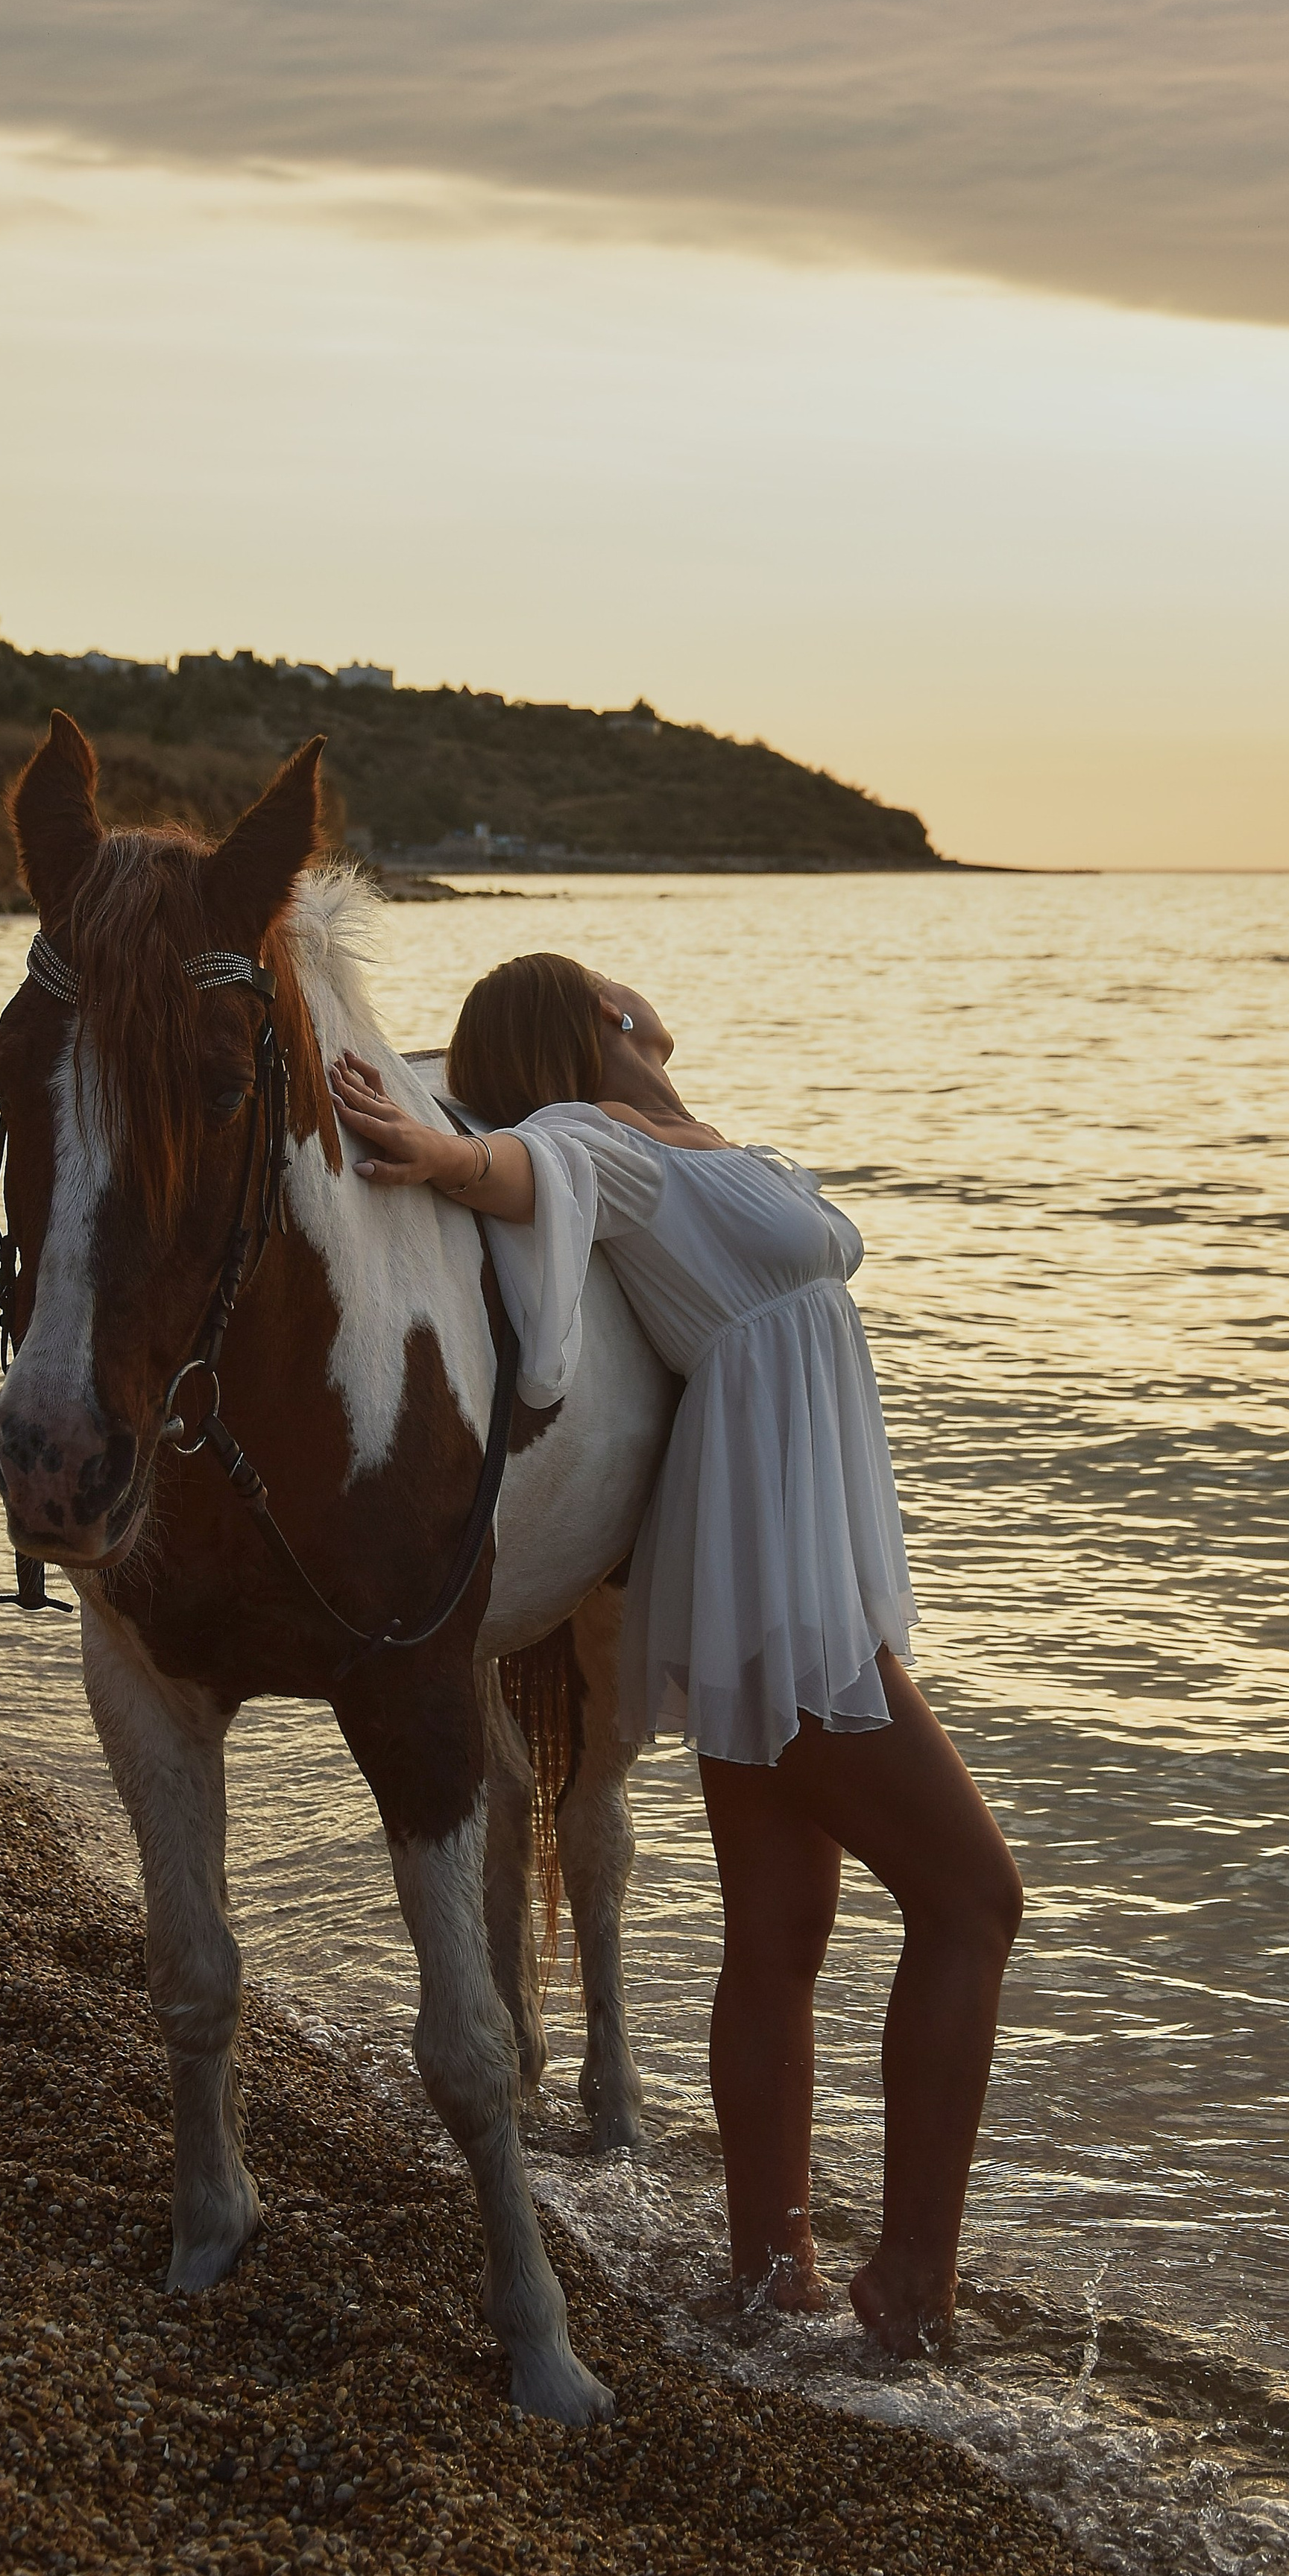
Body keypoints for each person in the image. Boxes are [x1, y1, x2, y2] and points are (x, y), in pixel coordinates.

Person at [327, 951, 1021, 2352]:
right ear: (595, 1017)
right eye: (611, 990)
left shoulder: (688, 1140)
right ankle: (912, 2281)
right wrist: (428, 1147)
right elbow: (510, 1168)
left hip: (779, 1559)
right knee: (974, 1901)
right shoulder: (603, 1141)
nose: (636, 1000)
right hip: (774, 1576)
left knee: (778, 1933)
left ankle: (769, 2274)